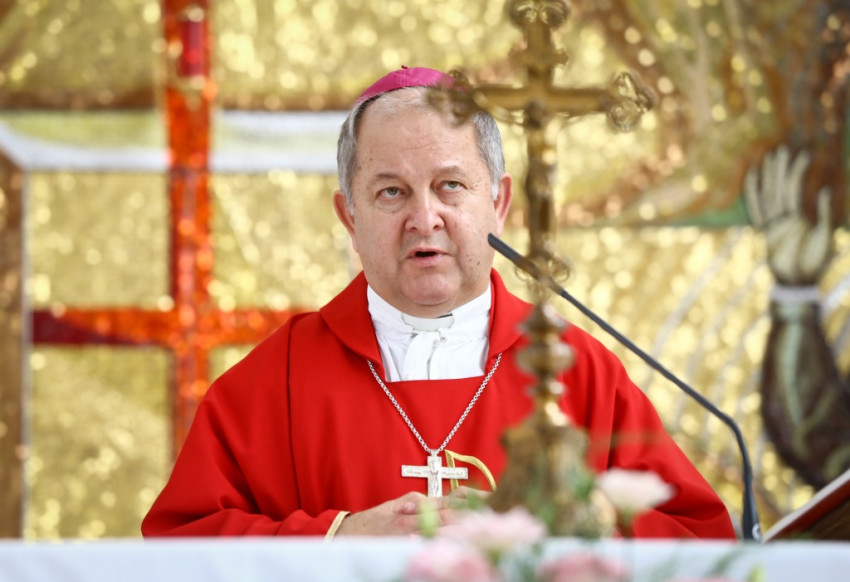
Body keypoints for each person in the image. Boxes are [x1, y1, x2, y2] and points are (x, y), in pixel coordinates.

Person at [141, 66, 736, 539]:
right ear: (349, 217)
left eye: (450, 186)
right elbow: (181, 545)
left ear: (498, 204)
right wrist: (339, 537)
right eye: (391, 192)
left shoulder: (579, 374)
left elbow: (699, 541)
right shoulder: (279, 380)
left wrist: (561, 529)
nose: (424, 218)